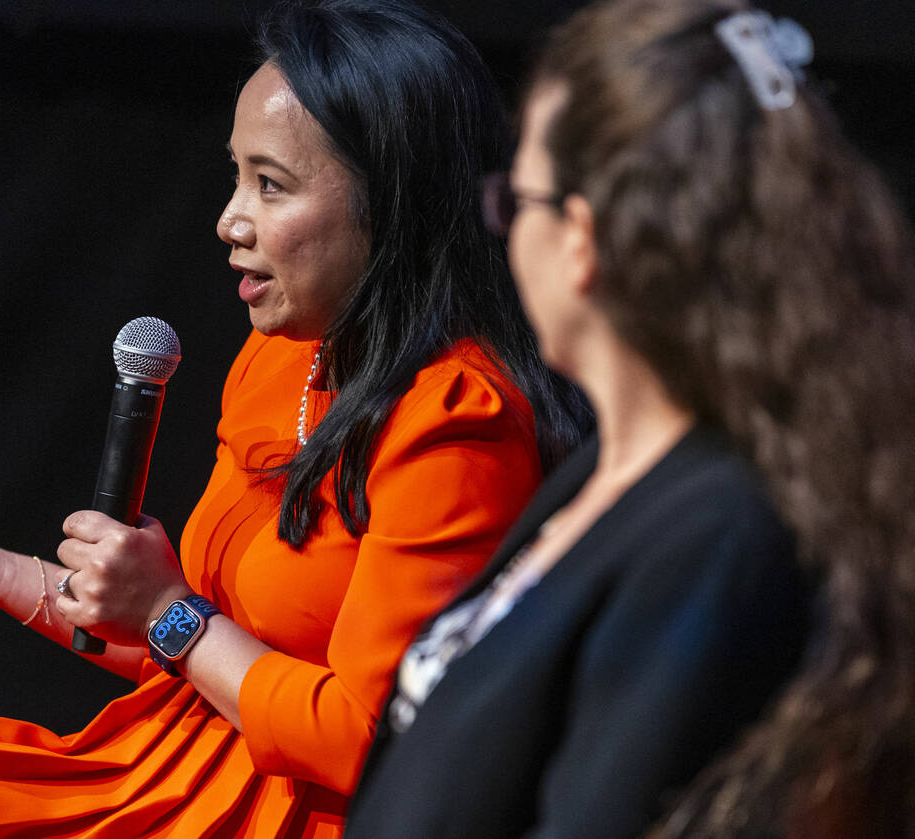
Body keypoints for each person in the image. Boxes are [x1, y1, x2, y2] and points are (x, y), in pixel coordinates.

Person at [0, 1, 590, 836]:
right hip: (170, 772)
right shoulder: (285, 358)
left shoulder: (458, 424)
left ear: (392, 201)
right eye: (235, 175)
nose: (229, 220)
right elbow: (182, 645)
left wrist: (171, 612)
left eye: (270, 185)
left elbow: (371, 735)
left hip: (311, 812)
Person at [347, 0, 915, 836]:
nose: (504, 230)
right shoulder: (608, 470)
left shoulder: (720, 532)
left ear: (580, 237)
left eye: (515, 200)